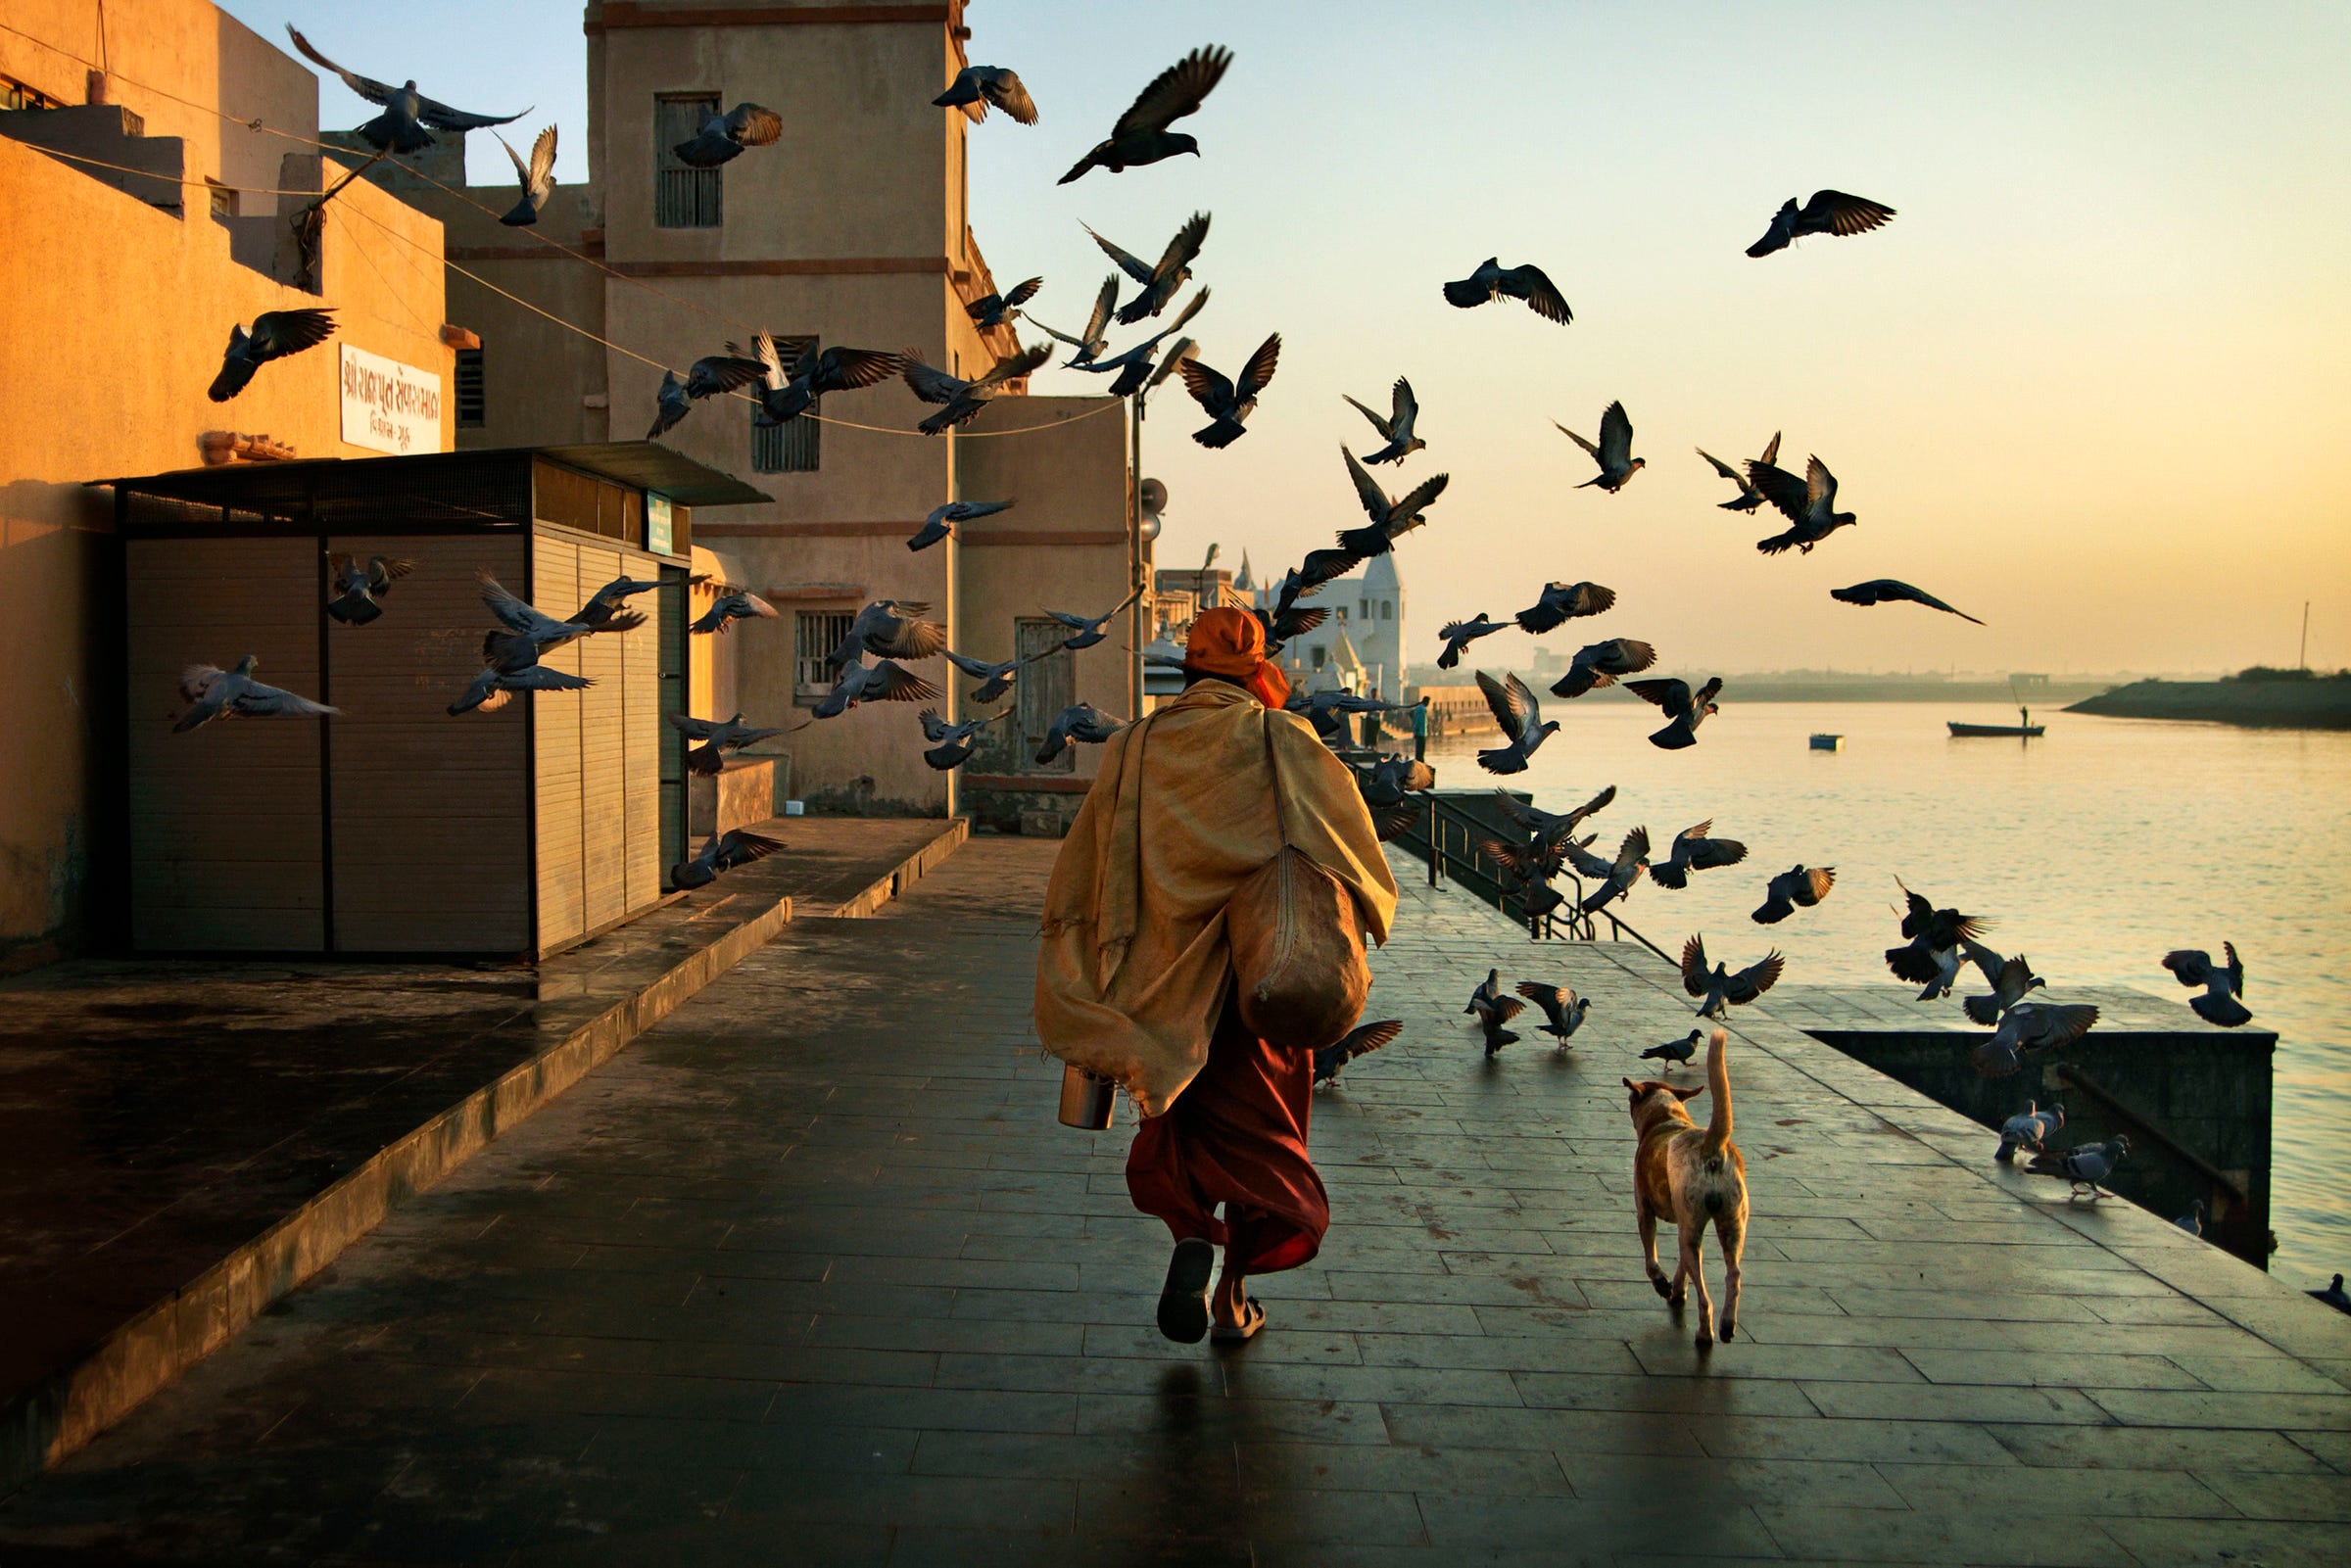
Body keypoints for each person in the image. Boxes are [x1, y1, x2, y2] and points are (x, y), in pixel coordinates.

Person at [1035, 606, 1398, 1343]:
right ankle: (1232, 1300)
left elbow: (1083, 871)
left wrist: (1085, 967)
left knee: (1182, 1129)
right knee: (1262, 1138)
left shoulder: (1135, 745)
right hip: (1254, 989)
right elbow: (1352, 845)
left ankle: (1193, 1240)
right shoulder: (1278, 739)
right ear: (1253, 674)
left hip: (1161, 996)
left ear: (1189, 672)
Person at [1411, 694, 1430, 762]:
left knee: (1418, 750)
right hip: (1421, 732)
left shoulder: (1418, 708)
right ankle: (1420, 762)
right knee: (1420, 750)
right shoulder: (1422, 709)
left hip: (1419, 732)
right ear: (1426, 701)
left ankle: (1419, 761)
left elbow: (1415, 719)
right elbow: (1419, 720)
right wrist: (1417, 730)